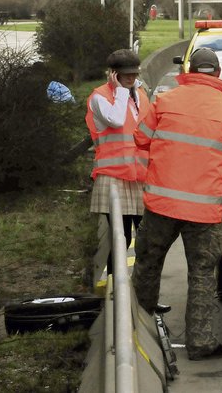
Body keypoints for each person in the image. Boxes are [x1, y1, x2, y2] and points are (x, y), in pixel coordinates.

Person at [132, 47, 222, 361]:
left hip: (161, 205)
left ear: (189, 70)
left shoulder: (165, 101)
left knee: (147, 264)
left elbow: (140, 138)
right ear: (218, 74)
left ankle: (136, 332)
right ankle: (200, 344)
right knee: (201, 274)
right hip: (203, 210)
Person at [85, 49, 149, 276]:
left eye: (134, 73)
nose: (131, 78)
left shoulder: (139, 94)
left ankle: (141, 292)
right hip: (113, 177)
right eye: (125, 74)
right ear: (113, 74)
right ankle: (116, 289)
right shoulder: (100, 97)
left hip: (138, 175)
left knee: (145, 238)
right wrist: (120, 91)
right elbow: (116, 119)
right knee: (121, 237)